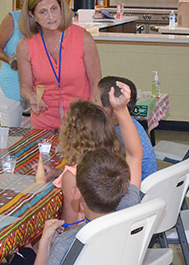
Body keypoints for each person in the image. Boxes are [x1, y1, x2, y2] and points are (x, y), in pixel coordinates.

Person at [37, 81, 142, 224]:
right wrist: (121, 109)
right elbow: (134, 154)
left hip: (84, 243)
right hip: (124, 242)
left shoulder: (73, 177)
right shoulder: (122, 178)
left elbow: (70, 225)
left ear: (71, 137)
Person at [10, 149, 139, 265]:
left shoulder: (66, 242)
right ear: (124, 189)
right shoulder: (132, 208)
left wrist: (44, 245)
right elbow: (135, 155)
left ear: (76, 193)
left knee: (24, 253)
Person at [17, 0, 102, 130]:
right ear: (33, 15)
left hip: (80, 124)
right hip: (44, 124)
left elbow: (96, 83)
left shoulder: (83, 39)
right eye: (43, 12)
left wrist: (93, 120)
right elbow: (25, 87)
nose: (51, 16)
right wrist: (30, 96)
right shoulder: (25, 46)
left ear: (61, 7)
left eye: (54, 9)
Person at [97, 76, 157, 180]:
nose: (90, 101)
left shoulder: (116, 135)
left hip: (136, 189)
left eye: (95, 99)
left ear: (107, 111)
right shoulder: (132, 124)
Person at [0, 10, 27, 127]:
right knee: (10, 134)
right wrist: (8, 59)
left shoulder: (47, 22)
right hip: (12, 84)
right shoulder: (13, 18)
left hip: (39, 85)